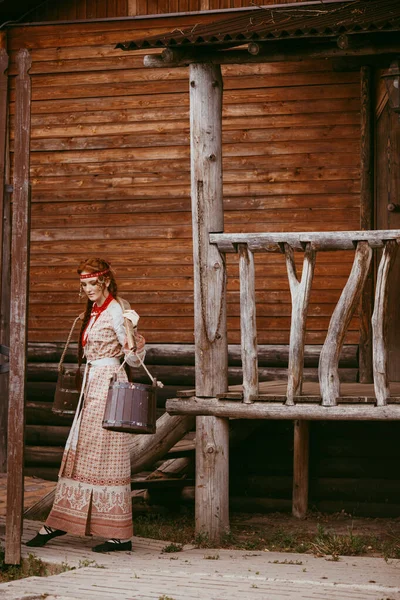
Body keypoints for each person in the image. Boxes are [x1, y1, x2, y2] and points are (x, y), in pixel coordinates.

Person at [27, 258, 145, 553]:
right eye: (84, 284)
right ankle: (61, 520)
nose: (88, 289)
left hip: (108, 383)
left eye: (92, 283)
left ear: (105, 281)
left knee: (104, 454)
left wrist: (133, 336)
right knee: (83, 454)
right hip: (92, 384)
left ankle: (118, 533)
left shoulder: (116, 310)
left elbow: (132, 359)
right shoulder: (95, 310)